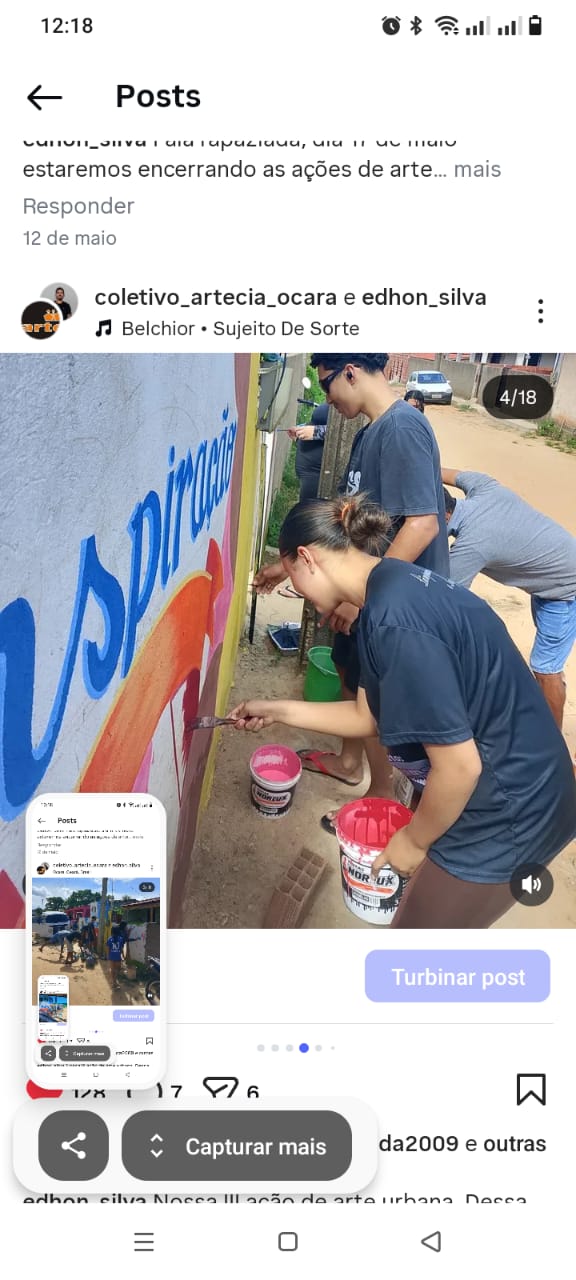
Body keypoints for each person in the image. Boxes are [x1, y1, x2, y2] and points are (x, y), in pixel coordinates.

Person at [233, 495, 576, 928]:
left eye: (292, 577)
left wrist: (413, 840)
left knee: (418, 945)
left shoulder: (394, 622)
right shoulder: (390, 587)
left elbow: (459, 768)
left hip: (510, 811)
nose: (297, 592)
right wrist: (277, 709)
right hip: (512, 786)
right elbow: (368, 717)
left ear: (306, 558)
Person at [255, 353, 449, 833]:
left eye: (326, 385)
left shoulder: (402, 428)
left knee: (376, 699)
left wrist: (358, 596)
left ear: (351, 370)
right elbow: (342, 524)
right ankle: (348, 763)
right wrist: (288, 564)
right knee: (348, 669)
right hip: (367, 592)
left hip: (390, 600)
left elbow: (422, 524)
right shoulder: (369, 431)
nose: (327, 398)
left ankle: (382, 795)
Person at [443, 468, 576, 730]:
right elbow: (436, 468)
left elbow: (443, 600)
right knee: (548, 667)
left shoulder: (471, 546)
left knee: (545, 669)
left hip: (565, 590)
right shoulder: (484, 487)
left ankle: (553, 747)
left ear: (443, 516)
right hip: (553, 574)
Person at [289, 402, 329, 503]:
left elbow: (347, 436)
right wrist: (301, 431)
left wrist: (316, 432)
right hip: (309, 475)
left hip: (317, 478)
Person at [106, 925, 125, 990]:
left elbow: (108, 949)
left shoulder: (109, 939)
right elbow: (121, 949)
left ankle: (114, 982)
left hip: (111, 957)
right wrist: (123, 956)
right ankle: (115, 982)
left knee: (112, 970)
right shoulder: (121, 939)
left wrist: (108, 956)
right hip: (117, 957)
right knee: (117, 969)